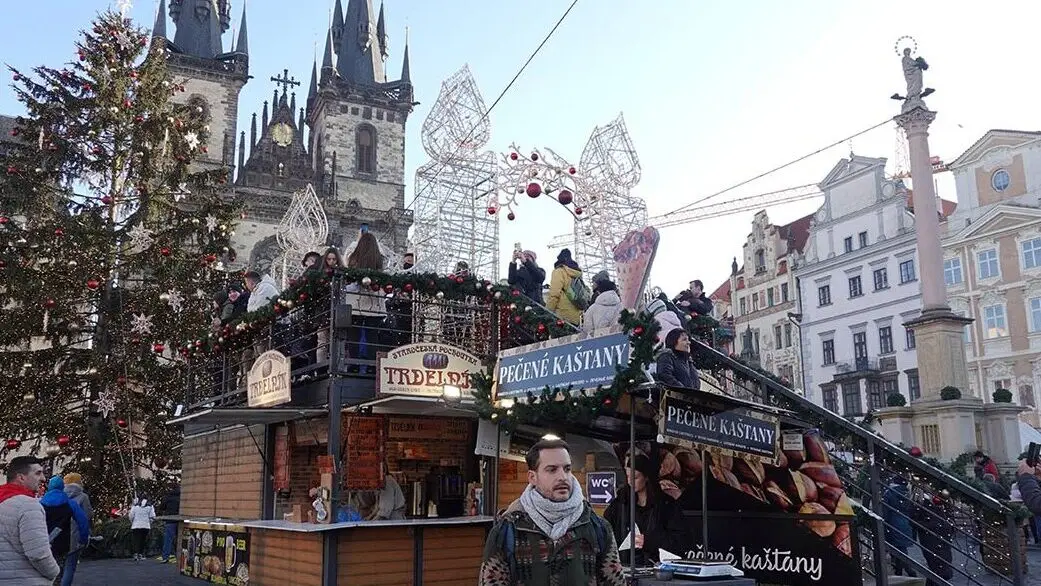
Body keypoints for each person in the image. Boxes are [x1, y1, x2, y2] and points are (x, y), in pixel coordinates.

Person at [478, 439, 624, 585]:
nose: (563, 477)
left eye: (567, 469)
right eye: (552, 469)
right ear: (532, 477)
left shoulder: (597, 528)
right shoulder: (507, 531)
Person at [603, 454, 690, 565]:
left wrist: (649, 541)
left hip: (656, 567)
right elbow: (606, 529)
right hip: (625, 566)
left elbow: (680, 542)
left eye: (635, 477)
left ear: (646, 477)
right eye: (628, 476)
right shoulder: (620, 503)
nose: (630, 482)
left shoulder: (666, 505)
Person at [0, 456, 59, 585]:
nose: (43, 478)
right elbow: (38, 554)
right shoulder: (28, 505)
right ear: (21, 477)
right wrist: (54, 572)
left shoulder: (3, 501)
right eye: (38, 473)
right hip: (25, 580)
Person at [344, 233, 387, 372]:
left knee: (354, 334)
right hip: (375, 302)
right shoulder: (380, 259)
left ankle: (353, 364)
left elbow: (348, 274)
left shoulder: (354, 258)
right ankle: (371, 366)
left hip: (355, 301)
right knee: (372, 336)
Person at [40, 476, 89, 582]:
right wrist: (83, 539)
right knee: (59, 571)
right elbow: (83, 521)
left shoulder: (40, 502)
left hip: (43, 541)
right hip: (62, 542)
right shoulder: (70, 503)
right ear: (62, 487)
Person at [61, 472, 92, 585]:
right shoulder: (83, 497)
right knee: (70, 566)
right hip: (75, 533)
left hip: (59, 534)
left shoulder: (60, 495)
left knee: (59, 565)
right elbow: (87, 515)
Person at [882, 476, 916, 577]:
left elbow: (885, 511)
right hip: (906, 524)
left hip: (893, 523)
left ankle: (908, 571)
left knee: (899, 550)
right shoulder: (908, 494)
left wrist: (884, 523)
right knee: (900, 548)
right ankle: (900, 571)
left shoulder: (889, 493)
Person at [545, 249, 585, 326]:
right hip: (577, 317)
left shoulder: (559, 271)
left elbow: (555, 294)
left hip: (562, 317)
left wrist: (547, 312)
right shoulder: (577, 273)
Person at [158, 484, 180, 563]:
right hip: (180, 520)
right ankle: (179, 557)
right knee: (179, 539)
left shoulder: (167, 497)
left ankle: (165, 557)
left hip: (170, 520)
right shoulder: (181, 497)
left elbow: (162, 507)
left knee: (168, 539)